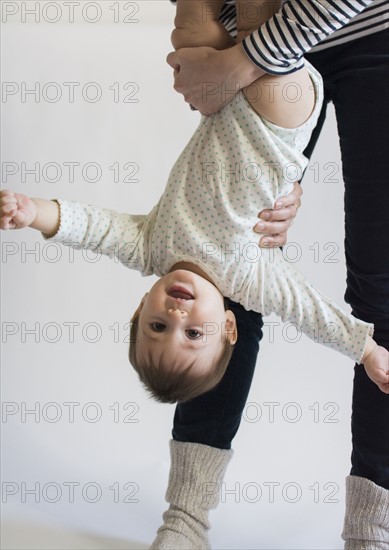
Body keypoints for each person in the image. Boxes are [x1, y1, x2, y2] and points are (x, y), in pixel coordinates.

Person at [1, 18, 387, 406]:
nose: (176, 315)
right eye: (193, 335)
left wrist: (32, 212)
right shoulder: (248, 280)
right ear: (229, 327)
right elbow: (307, 311)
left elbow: (94, 230)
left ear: (140, 307)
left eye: (158, 325)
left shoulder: (152, 249)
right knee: (256, 20)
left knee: (189, 35)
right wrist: (367, 352)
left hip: (225, 98)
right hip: (278, 117)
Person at [151, 0, 389, 548]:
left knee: (382, 285)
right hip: (248, 36)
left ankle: (371, 534)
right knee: (223, 251)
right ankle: (185, 517)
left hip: (369, 29)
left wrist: (242, 63)